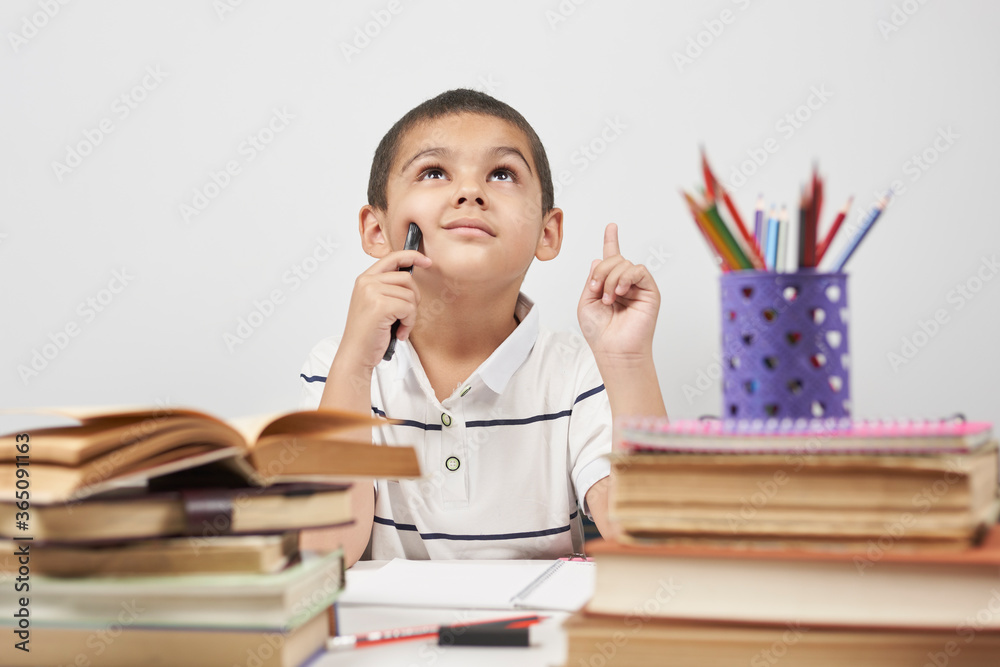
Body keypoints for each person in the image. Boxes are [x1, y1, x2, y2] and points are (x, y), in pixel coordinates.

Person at [299, 89, 666, 565]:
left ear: (547, 232)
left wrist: (627, 363)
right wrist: (353, 364)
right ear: (376, 230)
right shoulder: (337, 368)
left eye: (502, 174)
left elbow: (649, 540)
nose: (470, 192)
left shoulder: (581, 371)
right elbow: (323, 554)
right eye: (434, 172)